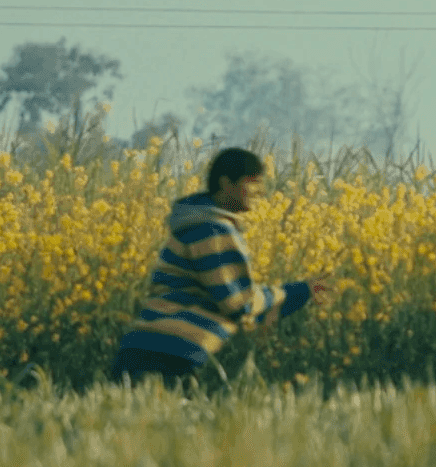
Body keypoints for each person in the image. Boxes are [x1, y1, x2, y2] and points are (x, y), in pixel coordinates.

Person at [113, 147, 331, 387]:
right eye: (252, 183)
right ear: (226, 183)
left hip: (150, 344)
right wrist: (294, 291)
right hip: (171, 351)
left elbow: (232, 305)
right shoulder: (212, 230)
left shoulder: (195, 224)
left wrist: (297, 294)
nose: (261, 191)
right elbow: (239, 304)